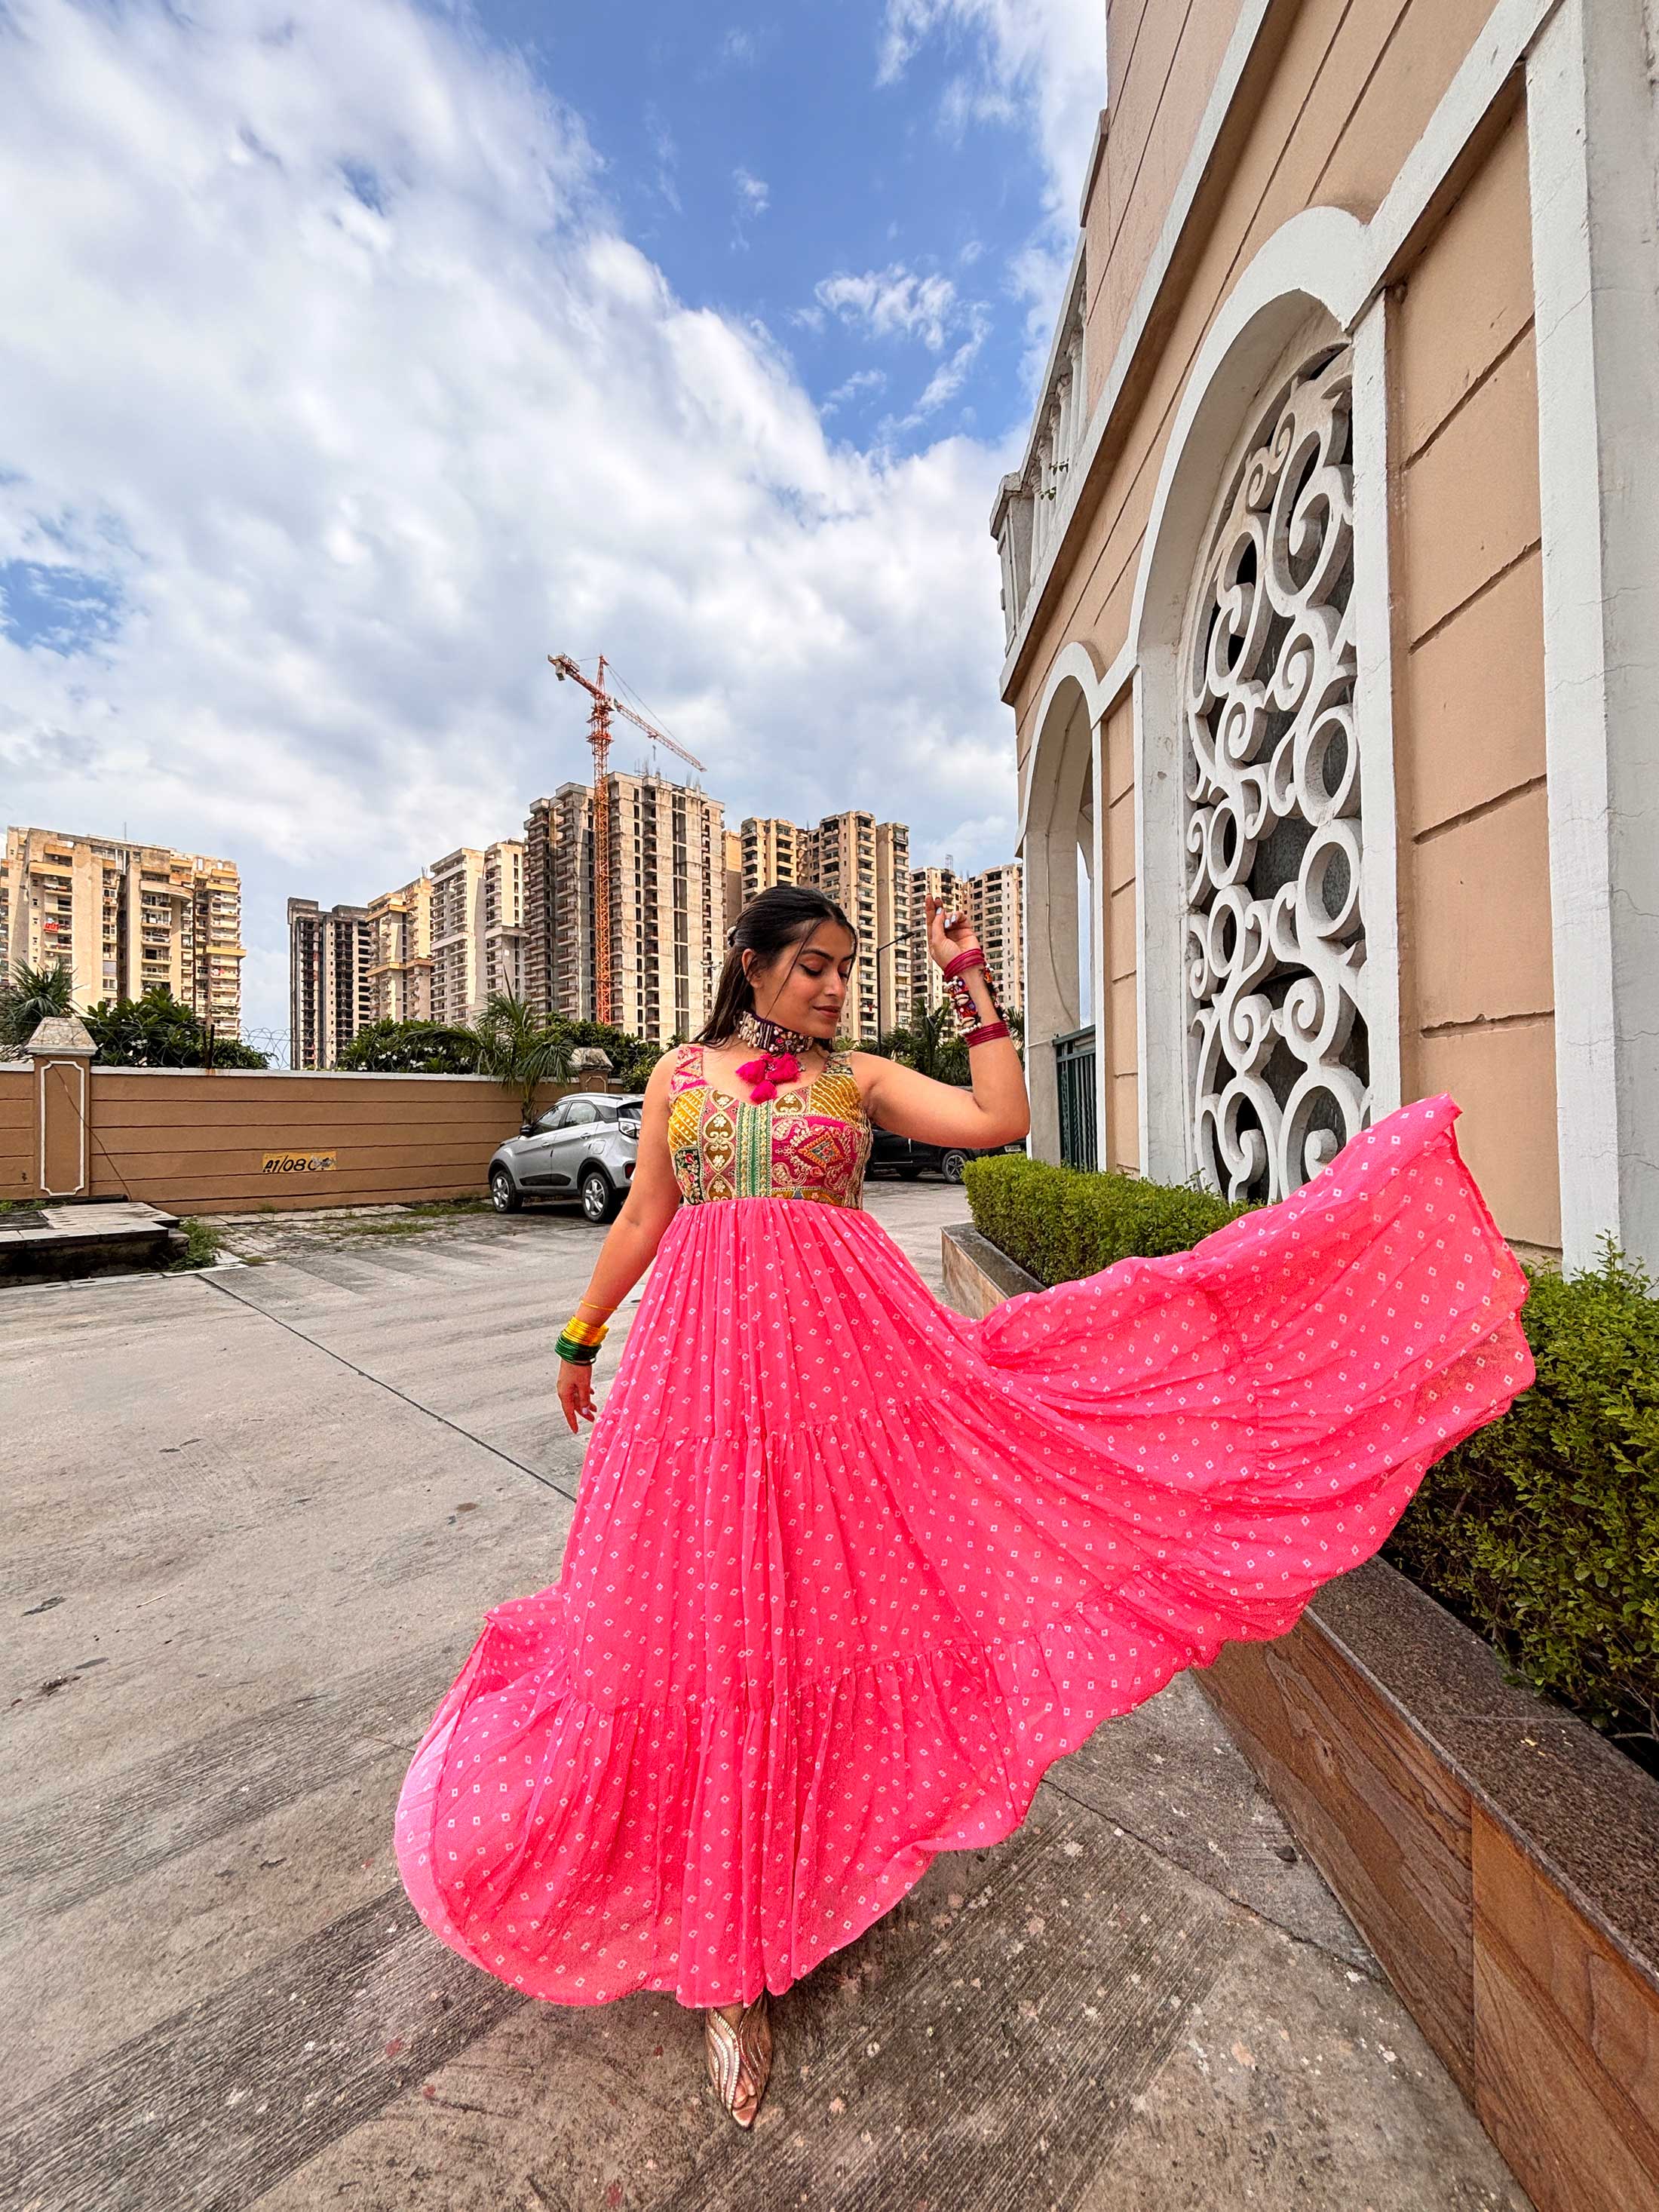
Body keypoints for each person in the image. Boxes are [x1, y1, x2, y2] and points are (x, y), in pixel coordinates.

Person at [393, 882, 1532, 2131]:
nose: (832, 986)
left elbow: (999, 1117)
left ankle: (779, 1896)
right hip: (698, 1389)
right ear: (752, 964)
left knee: (818, 1622)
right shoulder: (678, 1078)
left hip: (846, 1381)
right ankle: (721, 1961)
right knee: (687, 1630)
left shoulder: (861, 1080)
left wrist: (968, 976)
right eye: (813, 965)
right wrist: (578, 1332)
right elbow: (650, 1216)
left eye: (845, 968)